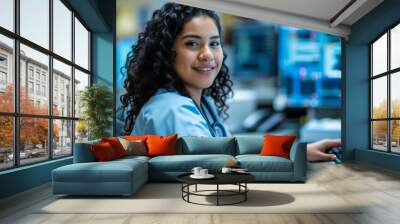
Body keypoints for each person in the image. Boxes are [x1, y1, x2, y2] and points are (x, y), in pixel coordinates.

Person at [120, 2, 341, 161]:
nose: (207, 54)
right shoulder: (172, 110)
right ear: (166, 53)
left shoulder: (201, 103)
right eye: (192, 43)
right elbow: (222, 165)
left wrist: (299, 150)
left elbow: (229, 149)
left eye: (214, 43)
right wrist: (295, 153)